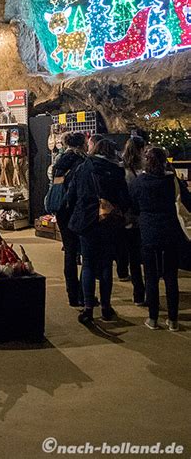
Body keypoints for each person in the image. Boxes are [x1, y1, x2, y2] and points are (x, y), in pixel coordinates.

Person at [68, 138, 130, 324]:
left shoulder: (84, 167)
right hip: (109, 223)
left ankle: (88, 307)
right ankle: (106, 307)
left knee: (87, 264)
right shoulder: (117, 171)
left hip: (87, 221)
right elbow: (125, 199)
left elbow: (72, 194)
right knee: (105, 265)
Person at [130, 146, 191, 331]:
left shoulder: (140, 181)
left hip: (148, 229)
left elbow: (132, 204)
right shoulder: (172, 180)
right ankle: (173, 320)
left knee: (151, 276)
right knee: (171, 276)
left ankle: (153, 317)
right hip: (170, 229)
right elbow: (187, 201)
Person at [52, 131, 87, 307]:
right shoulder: (83, 162)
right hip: (77, 211)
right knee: (86, 255)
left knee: (70, 252)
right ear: (82, 144)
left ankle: (72, 294)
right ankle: (83, 293)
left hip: (61, 211)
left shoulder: (60, 162)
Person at [122, 136, 146, 305]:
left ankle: (138, 293)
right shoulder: (145, 170)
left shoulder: (121, 169)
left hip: (127, 216)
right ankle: (143, 292)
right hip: (141, 216)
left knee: (134, 258)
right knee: (141, 256)